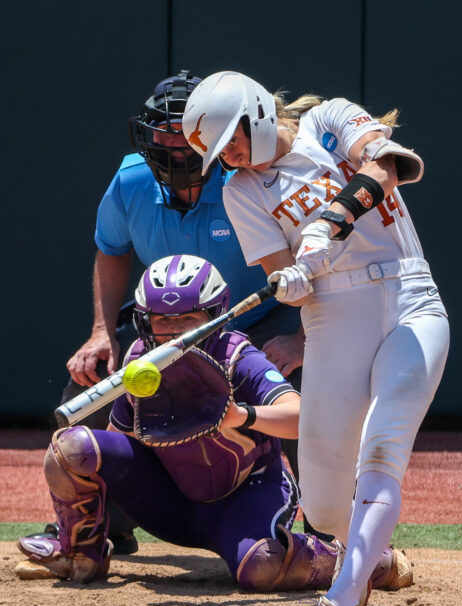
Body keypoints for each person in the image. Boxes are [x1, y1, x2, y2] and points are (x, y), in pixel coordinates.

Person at [181, 72, 450, 606]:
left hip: (409, 298)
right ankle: (370, 556)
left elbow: (388, 165)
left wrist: (331, 224)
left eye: (231, 140)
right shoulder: (241, 190)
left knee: (382, 450)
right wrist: (293, 279)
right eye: (218, 152)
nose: (229, 157)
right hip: (332, 321)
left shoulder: (328, 122)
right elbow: (290, 276)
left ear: (256, 112)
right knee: (325, 508)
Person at [15, 255, 412, 594]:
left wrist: (240, 416)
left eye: (188, 318)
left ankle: (363, 560)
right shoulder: (140, 361)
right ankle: (79, 553)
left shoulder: (237, 355)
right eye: (161, 321)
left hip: (245, 494)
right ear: (144, 322)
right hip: (170, 504)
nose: (173, 332)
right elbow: (118, 445)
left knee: (261, 567)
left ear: (213, 317)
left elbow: (303, 418)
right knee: (70, 447)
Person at [60, 70, 320, 552]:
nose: (177, 143)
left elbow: (309, 265)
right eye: (166, 132)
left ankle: (326, 532)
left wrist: (305, 339)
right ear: (148, 135)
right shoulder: (131, 180)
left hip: (261, 318)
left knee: (313, 390)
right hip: (167, 328)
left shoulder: (247, 179)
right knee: (92, 385)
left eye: (190, 132)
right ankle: (97, 530)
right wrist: (101, 332)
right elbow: (111, 248)